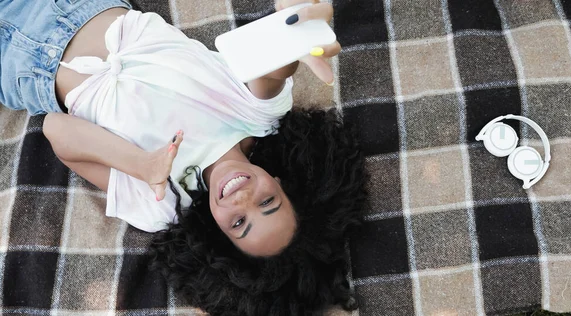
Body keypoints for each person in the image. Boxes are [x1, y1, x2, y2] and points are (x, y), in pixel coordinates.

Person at [1, 0, 367, 314]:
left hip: (21, 69)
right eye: (268, 201)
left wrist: (140, 165)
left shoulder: (161, 203)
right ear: (284, 183)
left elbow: (55, 129)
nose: (243, 199)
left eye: (239, 223)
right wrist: (294, 28)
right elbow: (275, 65)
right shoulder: (257, 117)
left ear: (219, 235)